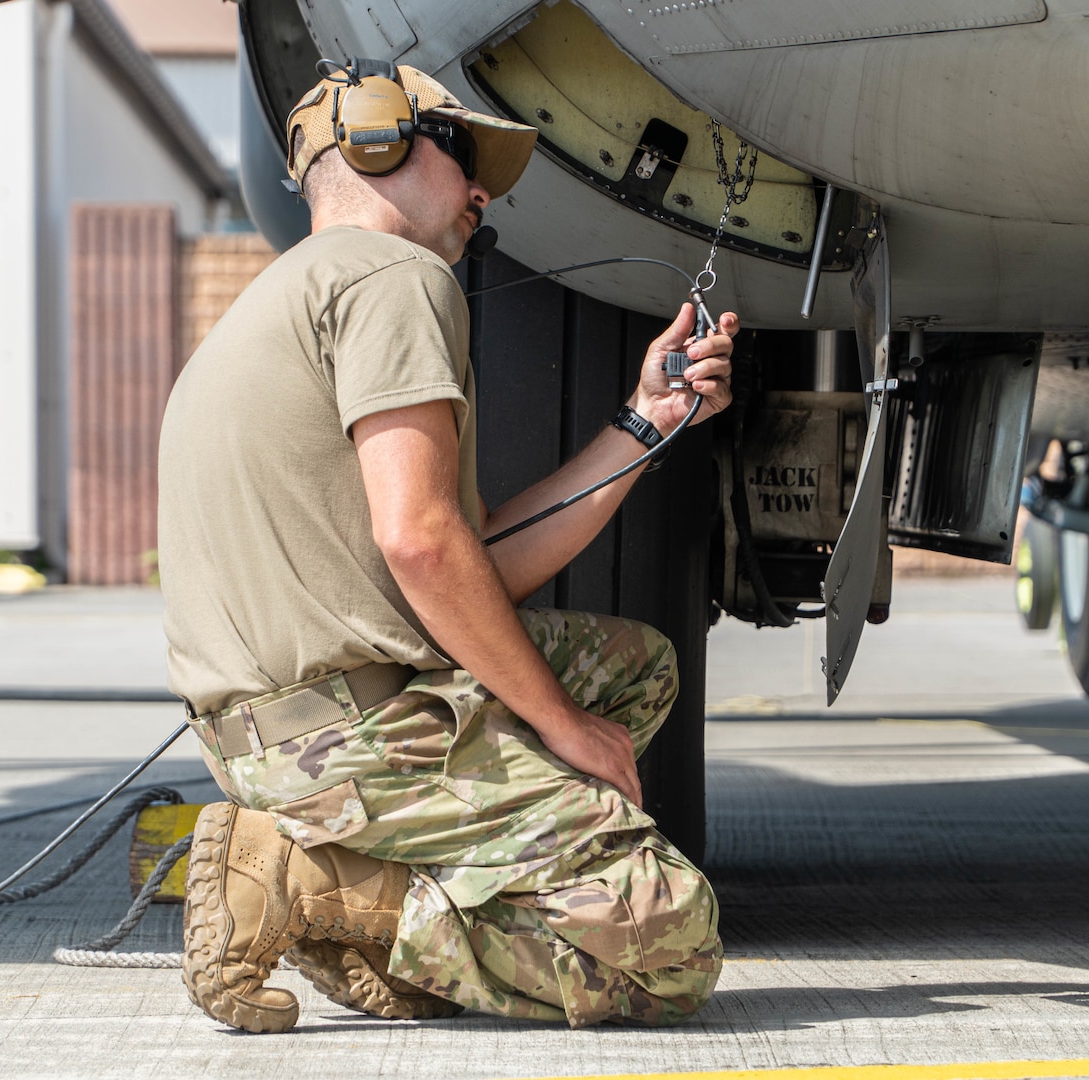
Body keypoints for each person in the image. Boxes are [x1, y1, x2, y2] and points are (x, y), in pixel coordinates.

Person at [157, 60, 738, 1035]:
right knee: (669, 942)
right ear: (379, 140)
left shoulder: (283, 297)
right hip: (355, 736)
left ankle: (414, 897)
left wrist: (647, 421)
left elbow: (468, 557)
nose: (480, 193)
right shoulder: (395, 277)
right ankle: (323, 886)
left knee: (635, 671)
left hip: (291, 727)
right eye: (465, 156)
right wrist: (560, 726)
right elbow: (422, 544)